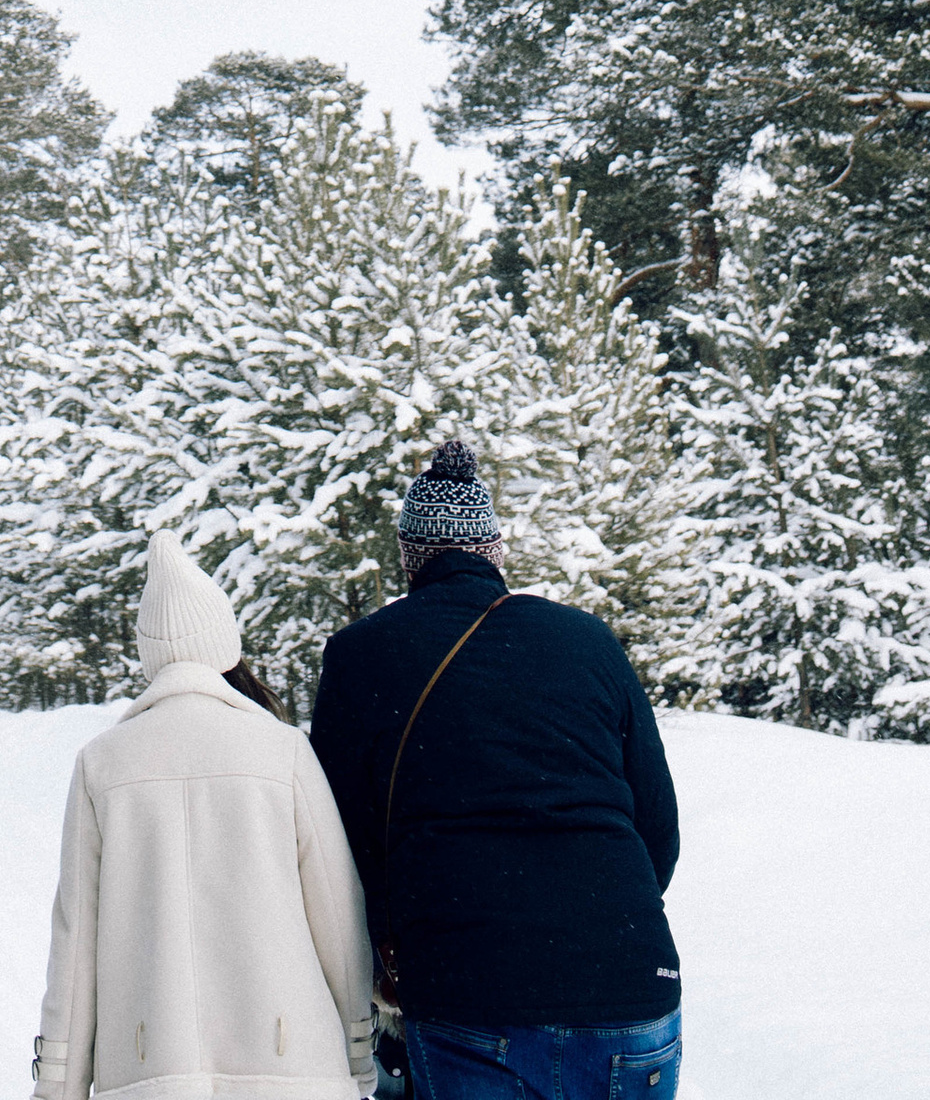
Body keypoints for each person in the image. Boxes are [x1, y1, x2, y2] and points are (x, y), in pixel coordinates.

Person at [307, 442, 682, 1100]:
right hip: (630, 987)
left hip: (468, 991)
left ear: (408, 556)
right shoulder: (587, 640)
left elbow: (345, 846)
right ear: (495, 549)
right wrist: (597, 928)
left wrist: (390, 953)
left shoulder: (360, 657)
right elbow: (658, 827)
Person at [34, 530, 380, 1100]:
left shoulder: (102, 763)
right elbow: (338, 915)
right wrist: (356, 1050)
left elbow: (76, 941)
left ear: (150, 654)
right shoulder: (283, 749)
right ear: (226, 644)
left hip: (150, 1073)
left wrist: (58, 1086)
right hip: (290, 1067)